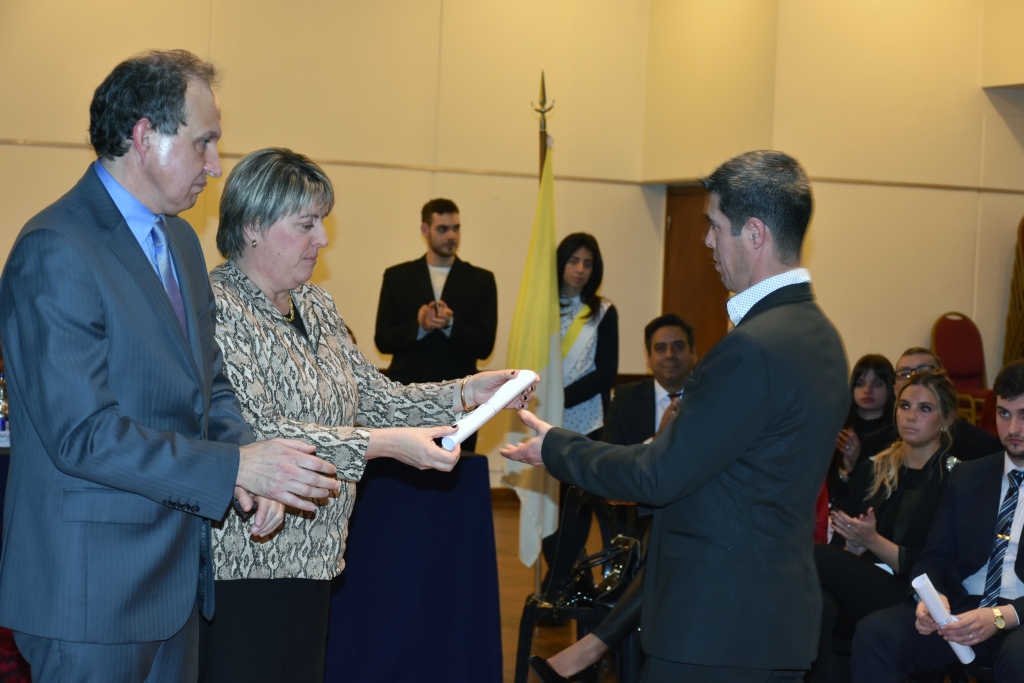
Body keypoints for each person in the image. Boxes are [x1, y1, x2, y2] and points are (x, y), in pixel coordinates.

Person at [0, 50, 340, 682]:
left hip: (175, 586)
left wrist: (248, 466)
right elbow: (84, 435)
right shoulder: (55, 247)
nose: (216, 167)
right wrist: (236, 466)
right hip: (88, 596)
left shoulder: (180, 242)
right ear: (143, 136)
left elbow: (207, 386)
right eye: (204, 143)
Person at [504, 150, 849, 682]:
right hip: (771, 624)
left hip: (714, 631)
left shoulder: (751, 349)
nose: (707, 241)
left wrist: (555, 447)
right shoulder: (822, 336)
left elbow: (657, 476)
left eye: (715, 226)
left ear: (754, 233)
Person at [198, 148, 534, 682]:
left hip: (319, 552)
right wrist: (383, 446)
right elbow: (260, 431)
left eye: (322, 222)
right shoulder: (215, 306)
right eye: (306, 224)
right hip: (248, 557)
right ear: (254, 227)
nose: (323, 239)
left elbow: (376, 398)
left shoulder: (316, 304)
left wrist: (468, 392)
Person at [530, 314, 697, 683]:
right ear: (648, 357)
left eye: (679, 347)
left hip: (688, 518)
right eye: (660, 348)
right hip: (632, 523)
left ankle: (594, 650)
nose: (670, 355)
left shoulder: (707, 400)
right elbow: (610, 470)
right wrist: (660, 440)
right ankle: (600, 651)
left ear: (694, 354)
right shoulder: (626, 399)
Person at [852, 360, 1024, 682]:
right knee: (877, 634)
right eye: (1004, 413)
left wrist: (1001, 616)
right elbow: (935, 556)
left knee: (1018, 660)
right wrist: (931, 600)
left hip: (1018, 615)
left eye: (1023, 414)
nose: (1013, 428)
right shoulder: (969, 476)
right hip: (961, 608)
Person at [809, 369, 959, 682]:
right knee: (820, 606)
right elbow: (841, 547)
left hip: (914, 598)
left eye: (925, 408)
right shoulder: (873, 467)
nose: (911, 416)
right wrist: (852, 545)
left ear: (945, 418)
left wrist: (874, 541)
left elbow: (940, 567)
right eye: (904, 406)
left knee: (813, 556)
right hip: (861, 586)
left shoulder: (957, 479)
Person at [374, 198, 497, 452]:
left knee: (457, 474)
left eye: (456, 228)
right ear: (424, 230)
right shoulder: (397, 277)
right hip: (408, 395)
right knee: (403, 479)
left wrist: (452, 325)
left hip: (461, 397)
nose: (452, 235)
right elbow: (383, 340)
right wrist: (419, 327)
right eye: (443, 229)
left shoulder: (481, 280)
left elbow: (485, 345)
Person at [540, 233, 620, 584]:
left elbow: (606, 371)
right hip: (546, 418)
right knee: (547, 505)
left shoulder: (602, 312)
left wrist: (564, 398)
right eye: (574, 260)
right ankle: (563, 575)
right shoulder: (541, 310)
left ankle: (566, 578)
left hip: (588, 421)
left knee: (578, 503)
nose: (580, 269)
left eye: (588, 263)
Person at [857, 347, 1001, 462]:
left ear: (943, 381)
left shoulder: (982, 447)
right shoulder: (874, 444)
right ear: (895, 389)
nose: (914, 378)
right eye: (905, 373)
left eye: (924, 370)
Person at [826, 354, 896, 504]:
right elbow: (829, 489)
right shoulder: (838, 428)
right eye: (860, 383)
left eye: (877, 384)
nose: (867, 390)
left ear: (890, 388)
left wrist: (859, 459)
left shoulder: (897, 433)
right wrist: (845, 473)